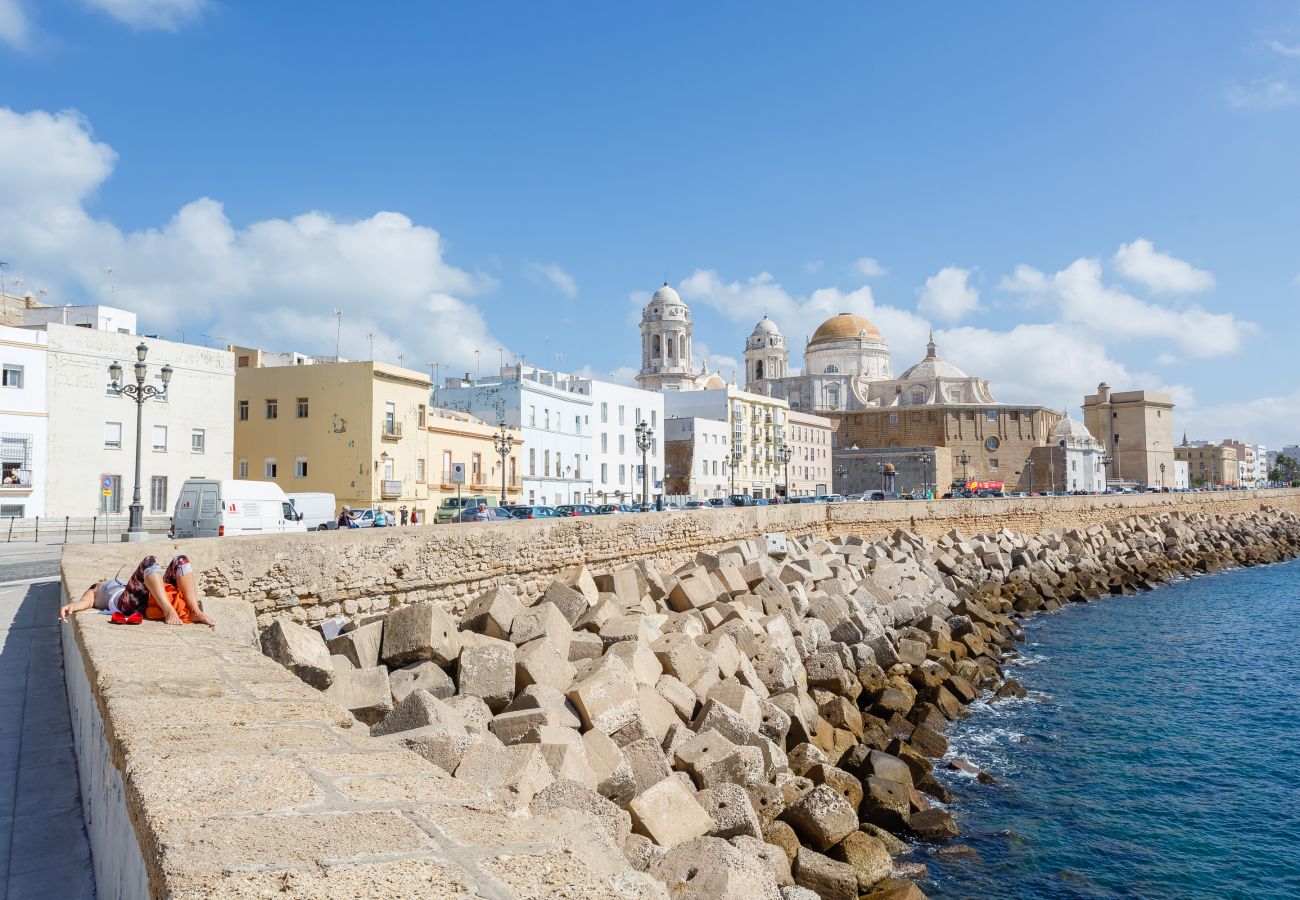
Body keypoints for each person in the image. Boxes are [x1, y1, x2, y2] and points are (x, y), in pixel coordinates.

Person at [59, 554, 214, 627]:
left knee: (181, 561)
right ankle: (168, 611)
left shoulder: (127, 583)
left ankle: (195, 611)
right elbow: (86, 602)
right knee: (149, 561)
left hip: (148, 596)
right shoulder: (97, 587)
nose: (102, 579)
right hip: (126, 603)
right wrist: (72, 606)